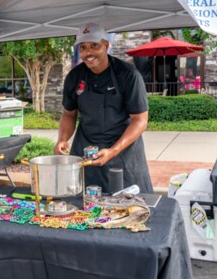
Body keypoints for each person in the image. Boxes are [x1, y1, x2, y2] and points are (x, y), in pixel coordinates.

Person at [55, 23, 153, 195]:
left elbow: (140, 120)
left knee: (129, 210)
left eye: (94, 46)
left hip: (123, 155)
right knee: (83, 207)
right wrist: (62, 139)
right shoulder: (74, 77)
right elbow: (69, 114)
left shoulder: (128, 75)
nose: (88, 52)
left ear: (106, 46)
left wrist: (113, 151)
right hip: (86, 155)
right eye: (83, 47)